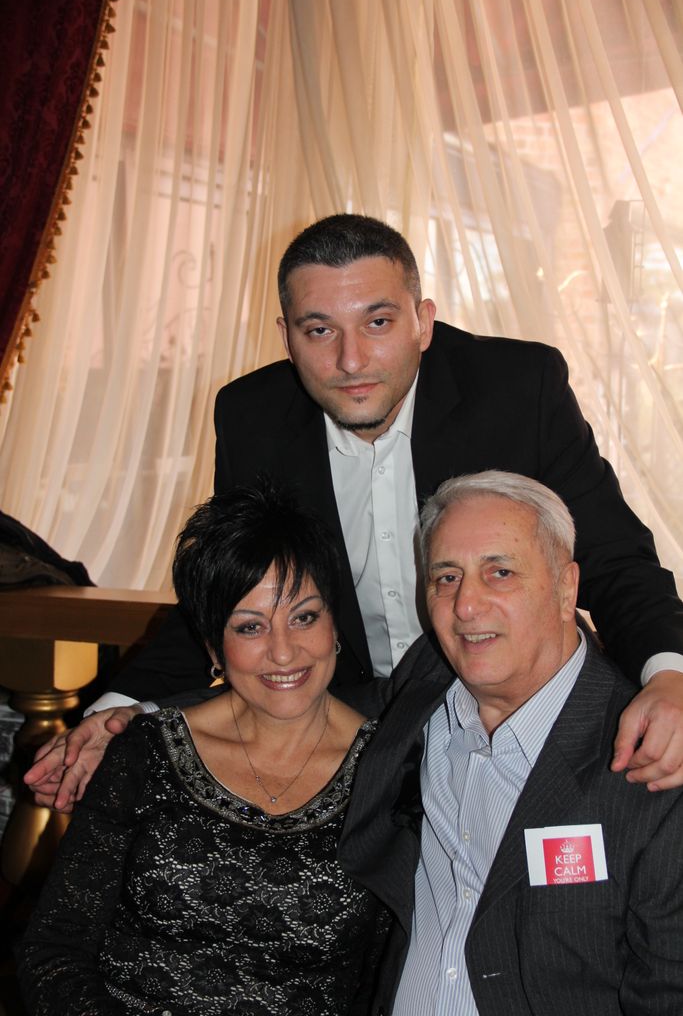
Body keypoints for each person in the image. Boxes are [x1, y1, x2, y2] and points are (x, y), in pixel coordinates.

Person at [25, 213, 683, 810]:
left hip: (516, 711)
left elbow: (613, 559)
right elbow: (228, 595)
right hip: (345, 731)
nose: (350, 360)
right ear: (286, 337)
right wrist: (116, 708)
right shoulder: (253, 417)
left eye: (378, 323)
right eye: (320, 330)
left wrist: (671, 674)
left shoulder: (515, 388)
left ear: (423, 321)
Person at [18, 483, 388, 1016]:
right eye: (250, 627)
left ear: (335, 627)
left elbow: (383, 979)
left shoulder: (387, 771)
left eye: (304, 617)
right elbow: (53, 952)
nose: (284, 652)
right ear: (214, 647)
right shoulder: (146, 753)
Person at [337, 471, 683, 1015]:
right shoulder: (425, 681)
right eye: (446, 577)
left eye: (500, 572)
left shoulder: (653, 758)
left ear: (566, 588)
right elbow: (305, 698)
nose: (466, 605)